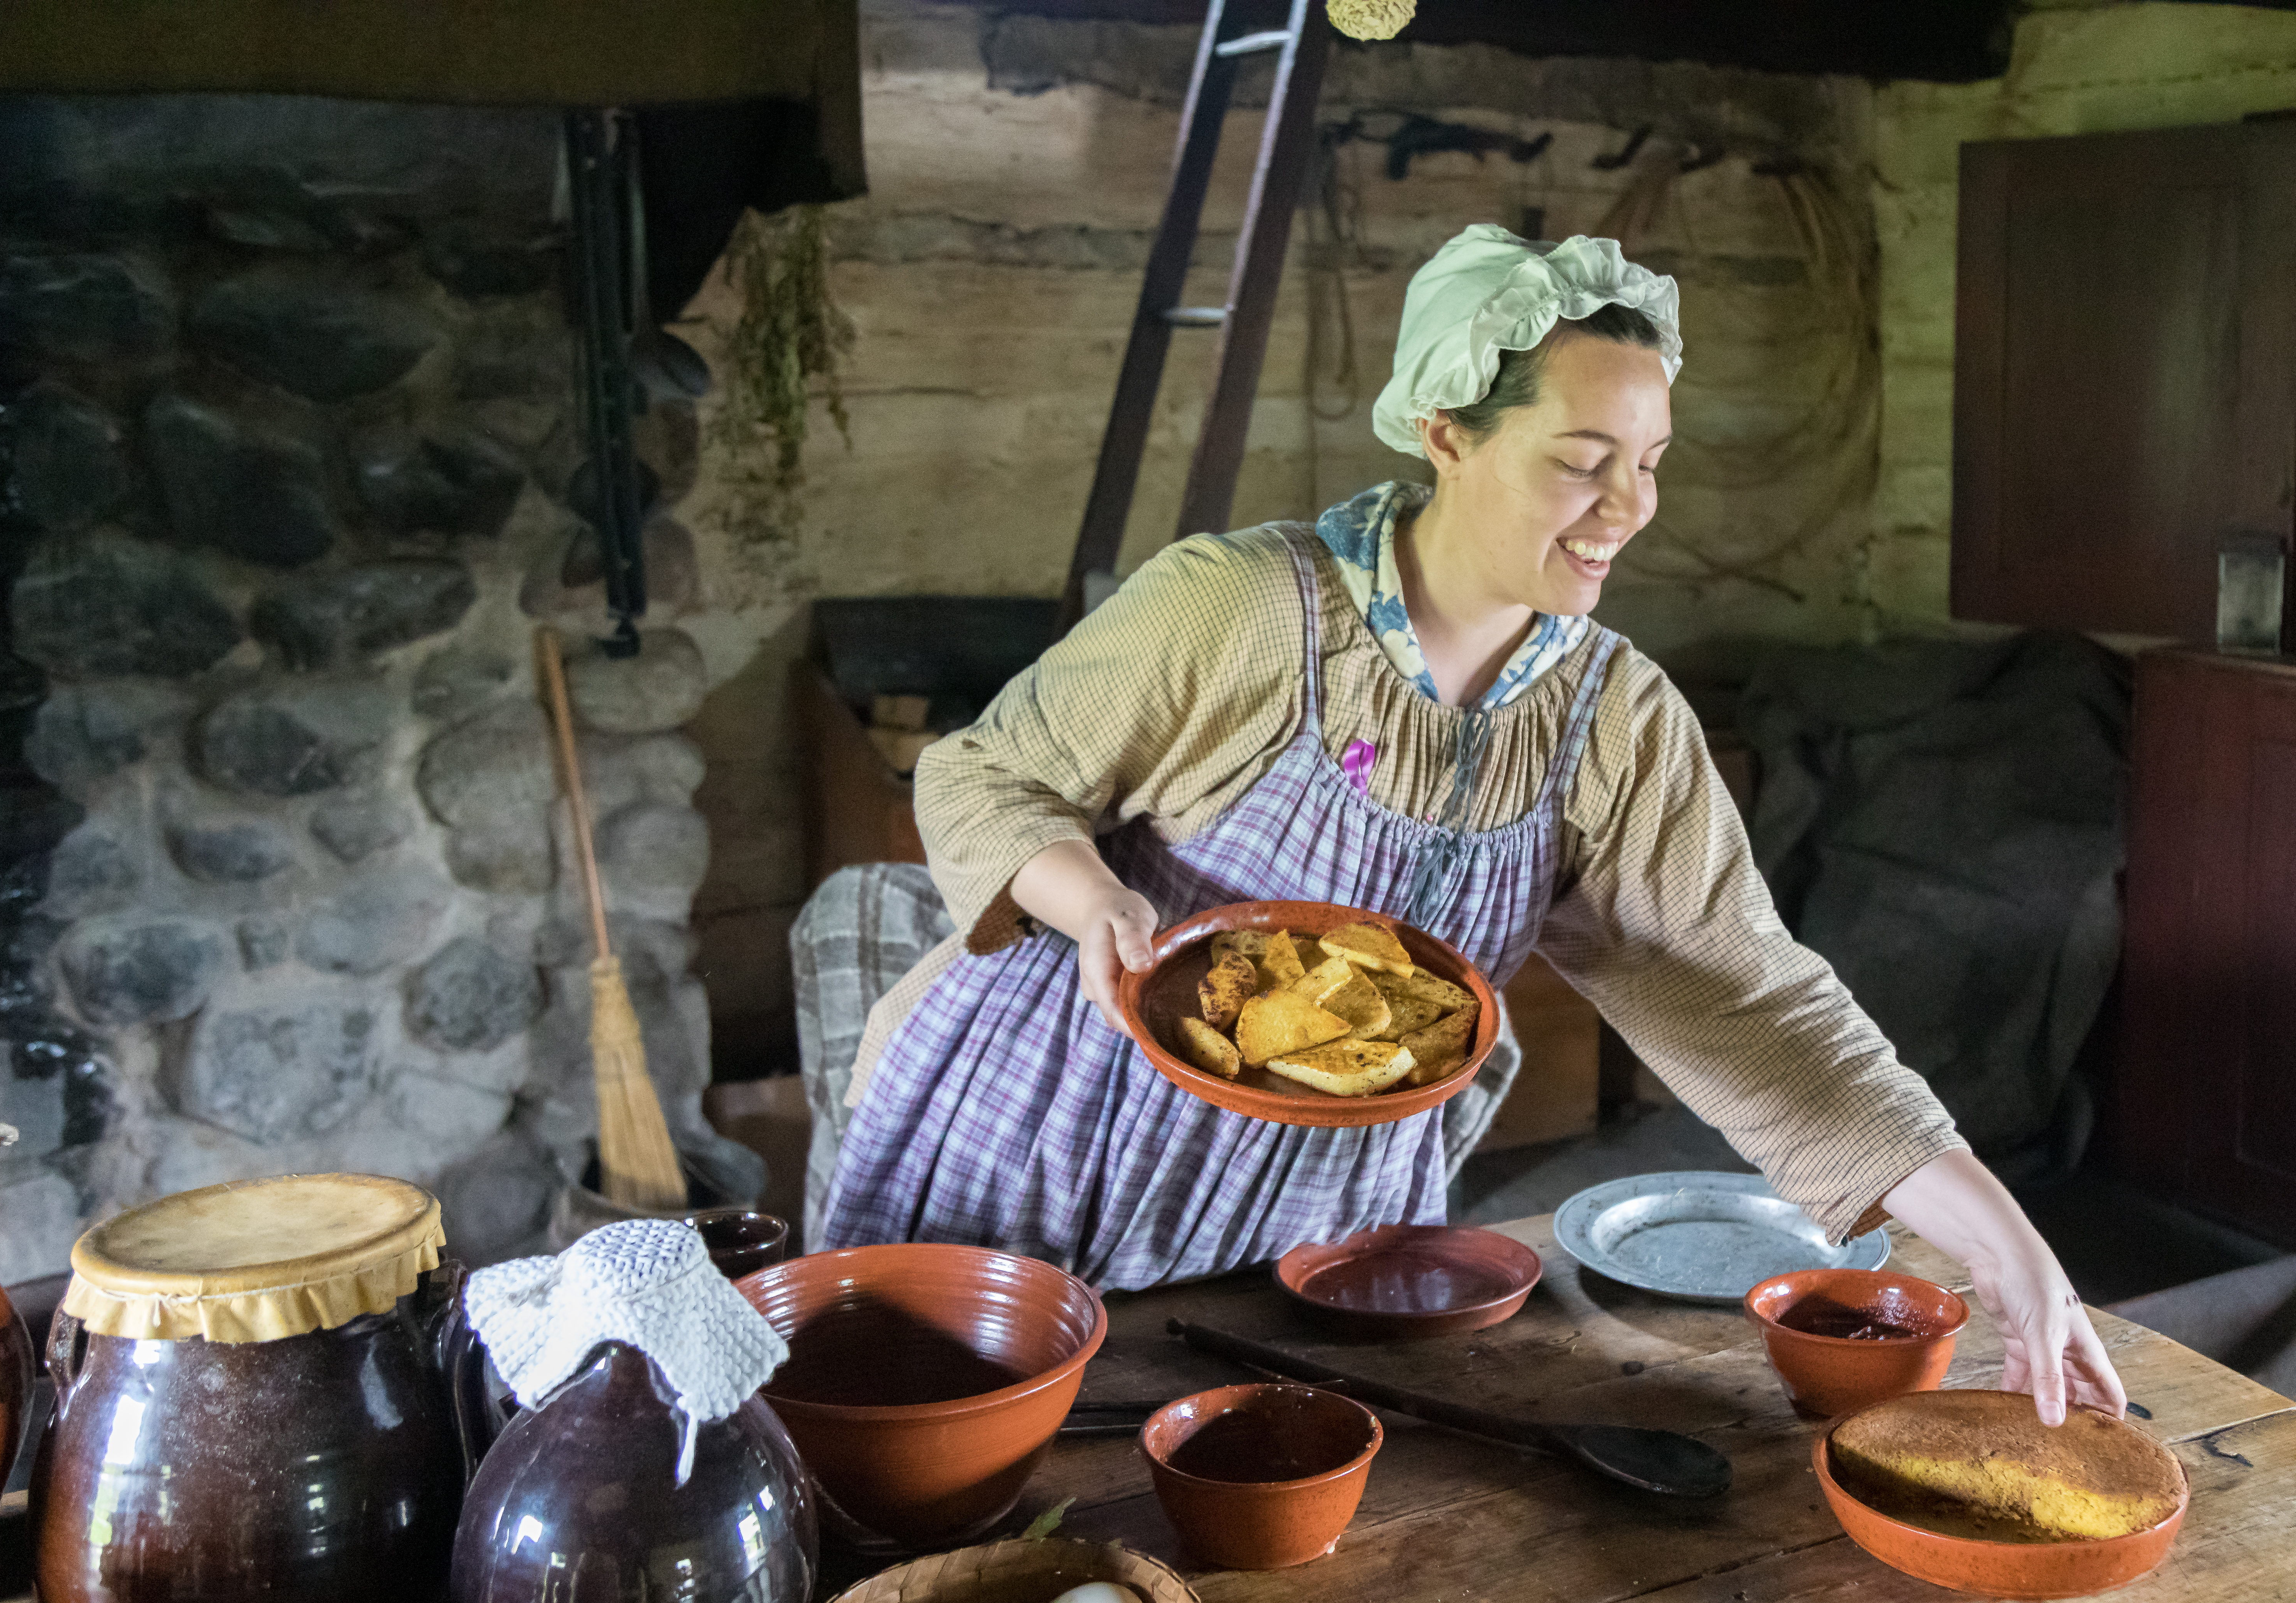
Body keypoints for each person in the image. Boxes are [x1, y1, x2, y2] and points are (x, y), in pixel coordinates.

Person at [816, 224, 2123, 1425]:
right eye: (1582, 462)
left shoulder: (1615, 722)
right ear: (1447, 432)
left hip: (1327, 1213)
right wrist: (1090, 899)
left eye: (1651, 465)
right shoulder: (1248, 611)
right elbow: (981, 776)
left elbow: (1751, 1003)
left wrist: (2005, 1241)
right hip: (1053, 1138)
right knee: (953, 1477)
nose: (1629, 509)